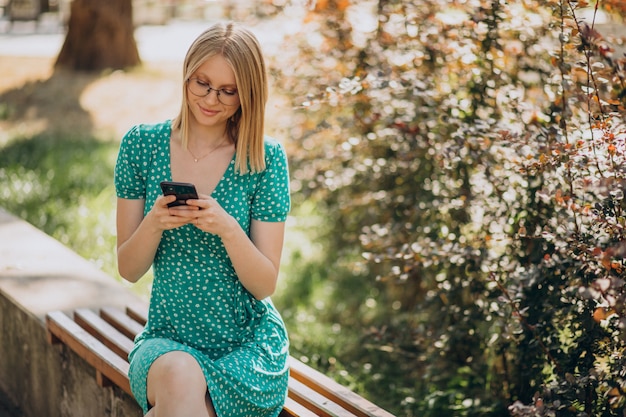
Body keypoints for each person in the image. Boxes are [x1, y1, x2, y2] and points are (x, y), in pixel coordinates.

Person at [114, 21, 291, 417]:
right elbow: (128, 268)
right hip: (168, 338)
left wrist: (228, 228)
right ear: (186, 76)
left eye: (228, 91)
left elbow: (263, 284)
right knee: (181, 376)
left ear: (248, 94)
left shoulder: (264, 159)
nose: (211, 99)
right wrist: (154, 222)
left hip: (246, 349)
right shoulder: (141, 145)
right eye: (202, 83)